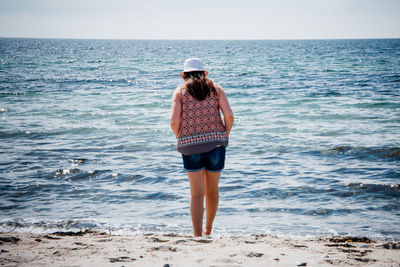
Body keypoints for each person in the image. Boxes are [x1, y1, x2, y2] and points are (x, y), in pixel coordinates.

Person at [170, 58, 234, 236]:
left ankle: (197, 235)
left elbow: (174, 121)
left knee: (196, 194)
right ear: (204, 73)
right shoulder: (216, 88)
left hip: (190, 147)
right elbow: (229, 116)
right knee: (212, 191)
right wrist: (225, 134)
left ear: (184, 75)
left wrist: (179, 135)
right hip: (216, 144)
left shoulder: (179, 92)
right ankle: (208, 231)